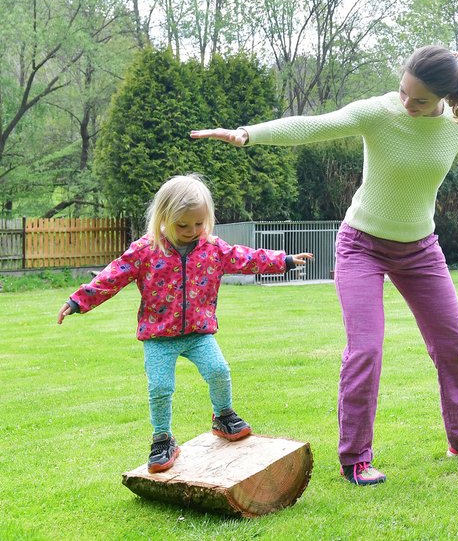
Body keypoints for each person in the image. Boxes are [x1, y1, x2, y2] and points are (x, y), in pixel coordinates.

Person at [191, 45, 458, 486]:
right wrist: (247, 134)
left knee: (454, 348)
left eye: (420, 99)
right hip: (360, 246)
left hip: (420, 250)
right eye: (404, 91)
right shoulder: (378, 112)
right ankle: (355, 459)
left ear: (445, 97)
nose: (407, 103)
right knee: (365, 351)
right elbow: (315, 126)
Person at [57, 174, 314, 473]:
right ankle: (162, 438)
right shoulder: (145, 250)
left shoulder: (213, 249)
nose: (192, 231)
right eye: (183, 225)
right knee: (160, 386)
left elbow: (247, 259)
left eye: (198, 224)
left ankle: (223, 416)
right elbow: (112, 276)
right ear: (164, 217)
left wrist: (283, 260)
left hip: (198, 333)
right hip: (158, 336)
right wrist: (78, 301)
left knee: (218, 370)